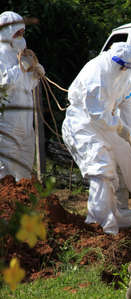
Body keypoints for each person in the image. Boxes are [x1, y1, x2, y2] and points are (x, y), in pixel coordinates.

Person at [62, 42, 131, 235]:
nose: (126, 71)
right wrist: (118, 126)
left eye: (129, 69)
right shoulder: (96, 72)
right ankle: (99, 223)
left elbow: (129, 108)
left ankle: (114, 216)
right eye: (124, 67)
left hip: (106, 124)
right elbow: (95, 112)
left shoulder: (123, 77)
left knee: (114, 169)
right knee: (101, 169)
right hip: (82, 124)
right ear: (116, 62)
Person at [0, 11, 45, 181]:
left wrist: (35, 74)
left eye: (22, 32)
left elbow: (25, 86)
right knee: (6, 168)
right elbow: (4, 84)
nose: (20, 36)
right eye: (16, 32)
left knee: (25, 166)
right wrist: (20, 67)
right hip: (6, 121)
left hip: (25, 120)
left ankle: (23, 204)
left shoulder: (20, 54)